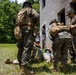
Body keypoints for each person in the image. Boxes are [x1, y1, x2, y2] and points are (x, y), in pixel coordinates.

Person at [15, 1, 39, 75]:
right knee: (27, 48)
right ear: (30, 5)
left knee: (21, 48)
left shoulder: (20, 11)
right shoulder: (31, 10)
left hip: (19, 31)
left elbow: (16, 22)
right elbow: (37, 16)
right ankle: (23, 70)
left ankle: (20, 66)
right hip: (28, 30)